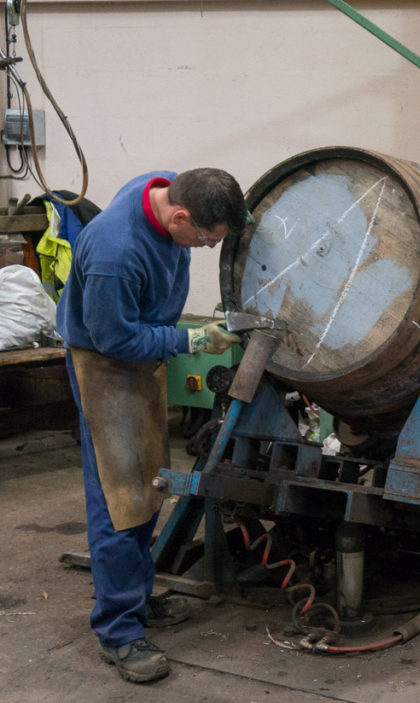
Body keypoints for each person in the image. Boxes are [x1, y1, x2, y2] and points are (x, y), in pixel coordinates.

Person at [56, 168, 248, 683]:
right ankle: (119, 632)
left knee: (150, 486)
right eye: (205, 240)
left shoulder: (162, 183)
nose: (205, 248)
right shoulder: (115, 253)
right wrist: (189, 341)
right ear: (179, 216)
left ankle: (136, 601)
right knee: (121, 500)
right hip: (106, 363)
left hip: (142, 349)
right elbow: (112, 339)